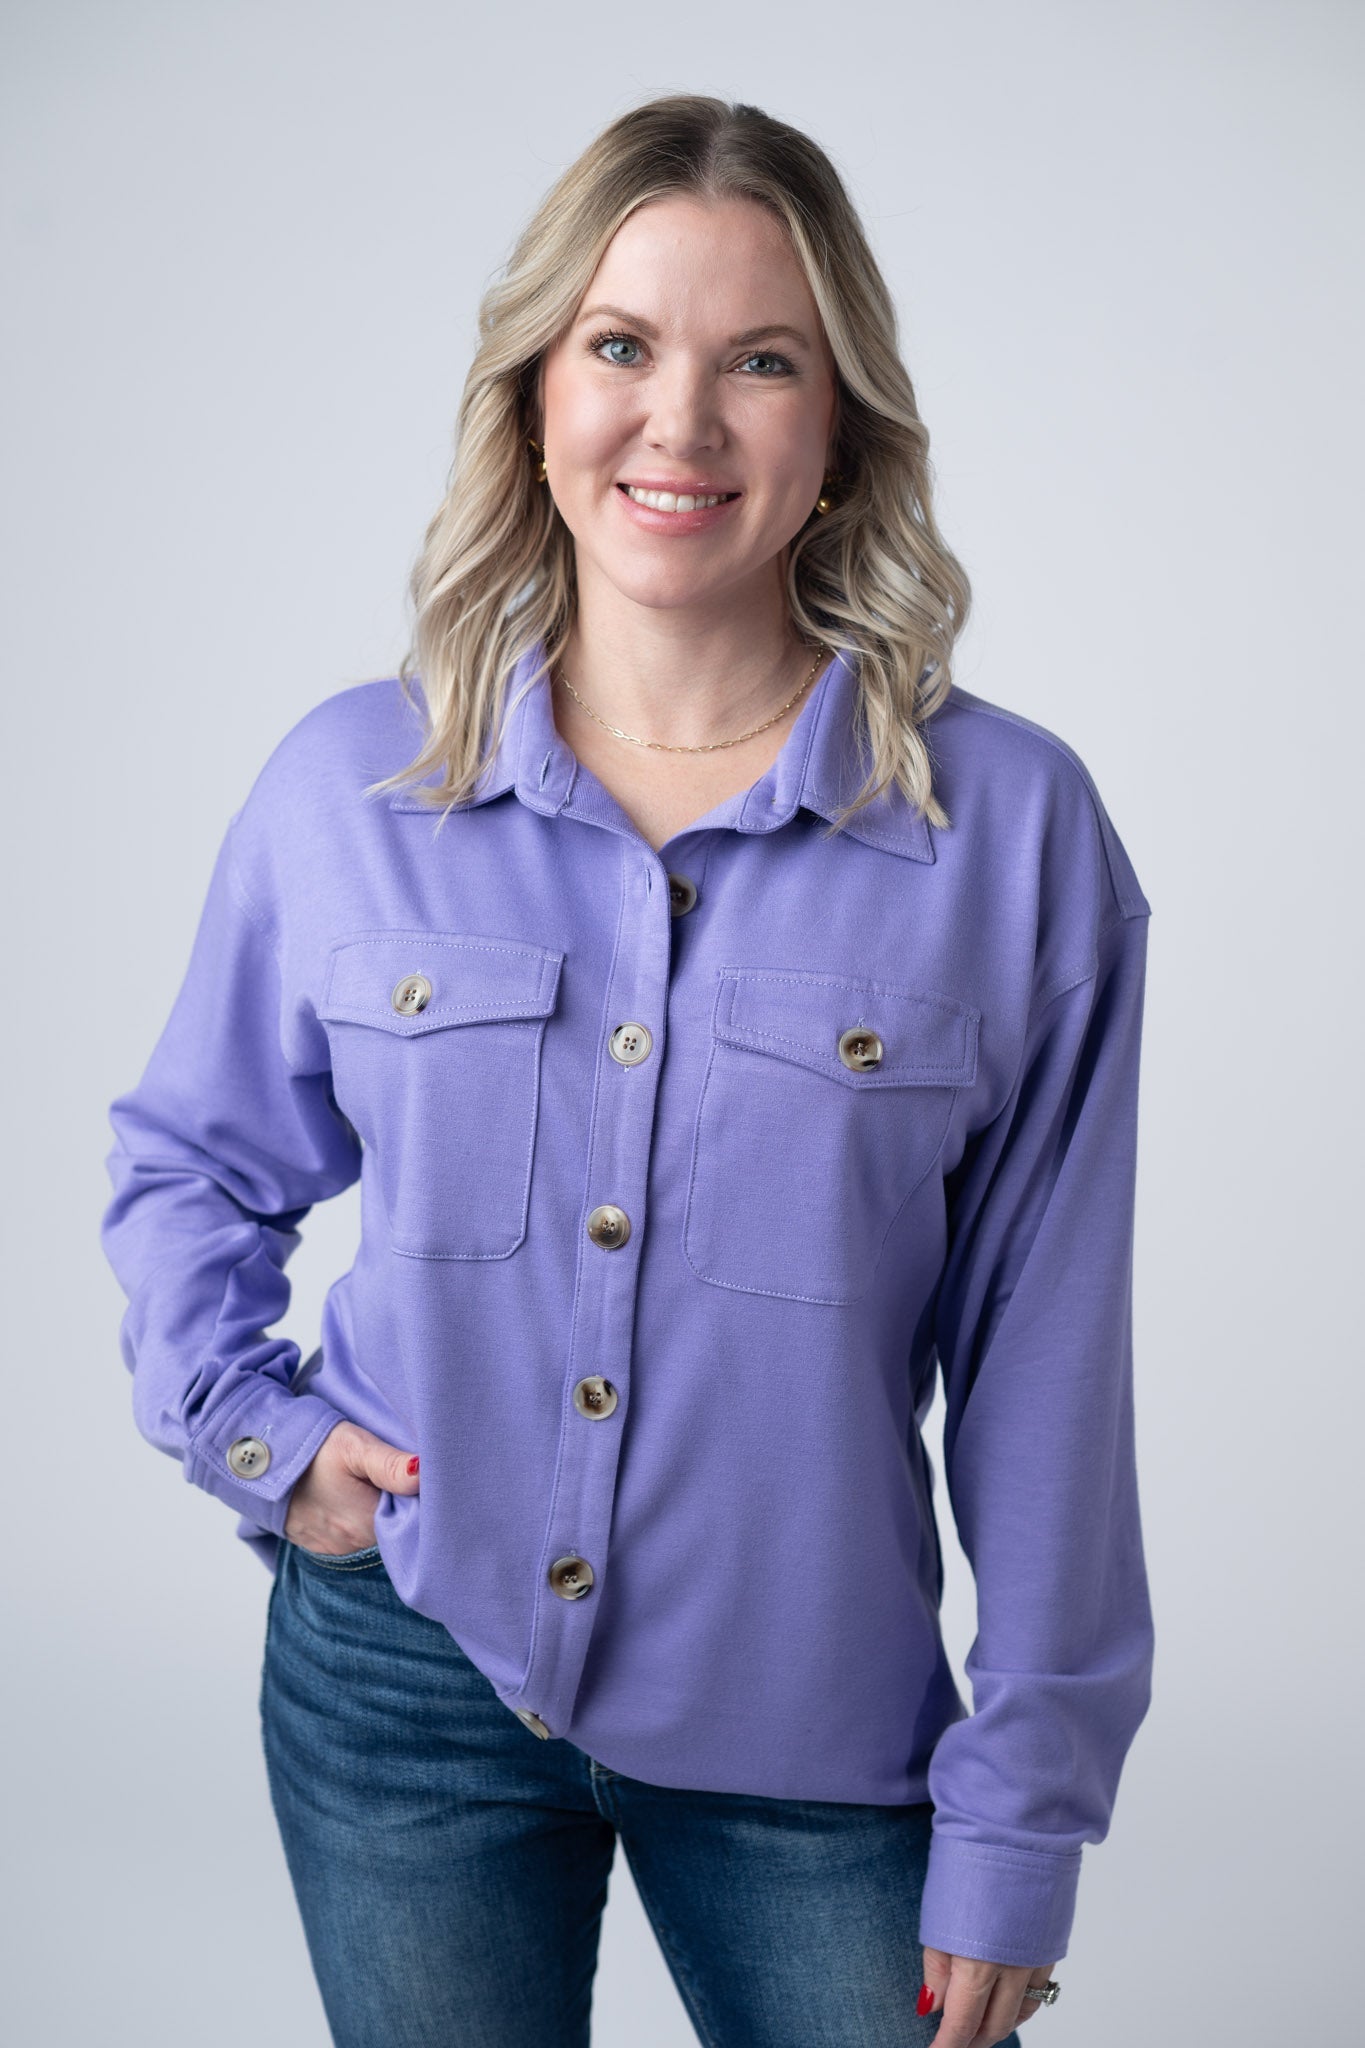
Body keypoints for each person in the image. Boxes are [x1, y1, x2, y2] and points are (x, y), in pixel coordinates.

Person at [99, 92, 1154, 2048]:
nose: (680, 422)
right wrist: (254, 1433)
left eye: (759, 361)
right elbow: (187, 1164)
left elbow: (1047, 1364)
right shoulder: (349, 788)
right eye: (619, 346)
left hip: (816, 1733)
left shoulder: (1008, 836)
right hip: (403, 1687)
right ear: (533, 401)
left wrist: (1022, 1815)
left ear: (838, 430)